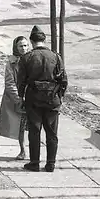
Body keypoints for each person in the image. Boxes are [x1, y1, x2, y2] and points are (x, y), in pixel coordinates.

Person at [17, 25, 68, 172]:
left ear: (32, 42)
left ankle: (34, 163)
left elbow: (21, 81)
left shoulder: (26, 58)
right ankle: (51, 163)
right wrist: (60, 96)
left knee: (35, 130)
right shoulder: (56, 57)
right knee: (52, 132)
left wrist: (21, 97)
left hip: (33, 98)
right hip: (52, 98)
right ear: (44, 40)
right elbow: (63, 80)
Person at [0, 36, 30, 159]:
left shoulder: (32, 59)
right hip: (19, 98)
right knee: (20, 126)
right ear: (15, 47)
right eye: (21, 46)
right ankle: (23, 150)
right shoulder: (11, 63)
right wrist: (18, 99)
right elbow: (10, 82)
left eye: (26, 45)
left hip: (32, 96)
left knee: (33, 125)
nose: (24, 48)